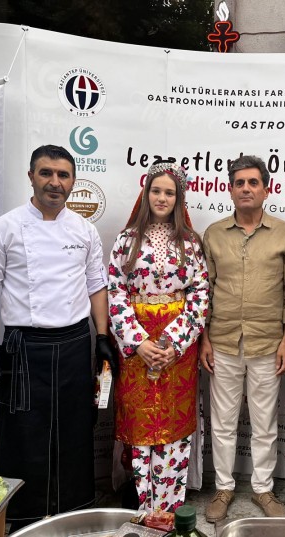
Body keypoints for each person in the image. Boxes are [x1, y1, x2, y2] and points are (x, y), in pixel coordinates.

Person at [0, 144, 116, 529]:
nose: (55, 182)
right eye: (46, 173)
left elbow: (96, 285)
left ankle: (74, 509)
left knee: (75, 429)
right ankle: (22, 516)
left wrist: (102, 336)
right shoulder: (3, 228)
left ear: (73, 181)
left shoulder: (84, 230)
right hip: (23, 346)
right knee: (23, 433)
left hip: (74, 344)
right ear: (31, 176)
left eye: (63, 175)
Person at [108, 159, 209, 513]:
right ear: (146, 193)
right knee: (140, 426)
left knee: (173, 426)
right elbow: (116, 292)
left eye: (169, 192)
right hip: (137, 350)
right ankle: (143, 507)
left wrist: (172, 344)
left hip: (177, 352)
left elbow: (199, 294)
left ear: (179, 198)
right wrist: (138, 342)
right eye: (156, 191)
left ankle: (168, 509)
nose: (162, 198)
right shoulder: (126, 240)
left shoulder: (190, 243)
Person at [201, 155, 285, 522]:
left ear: (266, 190)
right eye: (239, 183)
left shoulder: (284, 233)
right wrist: (204, 339)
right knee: (223, 422)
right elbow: (204, 291)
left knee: (264, 423)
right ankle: (223, 488)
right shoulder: (214, 234)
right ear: (229, 189)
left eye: (253, 182)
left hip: (268, 343)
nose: (246, 188)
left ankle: (263, 489)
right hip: (222, 341)